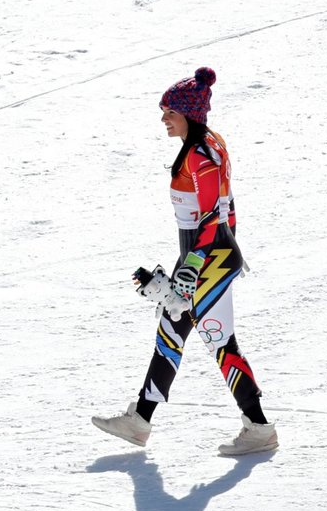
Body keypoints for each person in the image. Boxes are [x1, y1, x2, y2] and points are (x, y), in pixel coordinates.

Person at [92, 68, 278, 456]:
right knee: (172, 331)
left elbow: (213, 216)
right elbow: (226, 213)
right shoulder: (207, 145)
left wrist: (193, 266)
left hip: (208, 260)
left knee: (219, 342)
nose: (163, 119)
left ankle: (259, 427)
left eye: (169, 112)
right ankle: (140, 421)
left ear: (189, 115)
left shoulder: (201, 155)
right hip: (206, 258)